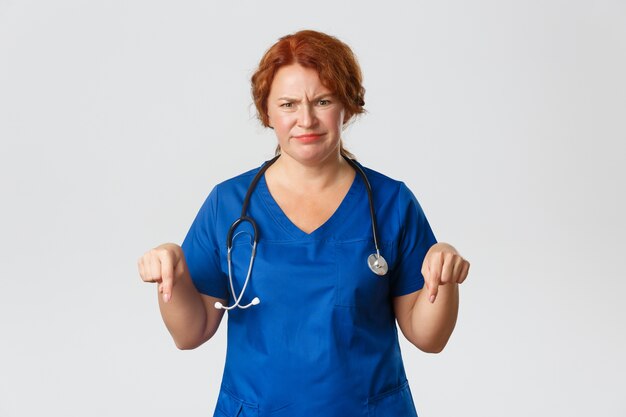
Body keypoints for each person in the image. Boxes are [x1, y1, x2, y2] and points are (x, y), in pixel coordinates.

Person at [138, 29, 470, 417]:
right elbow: (189, 333)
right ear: (267, 112)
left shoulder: (391, 202)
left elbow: (429, 337)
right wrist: (172, 273)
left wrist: (443, 272)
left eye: (323, 101)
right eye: (288, 104)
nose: (306, 119)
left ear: (348, 105)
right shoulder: (227, 205)